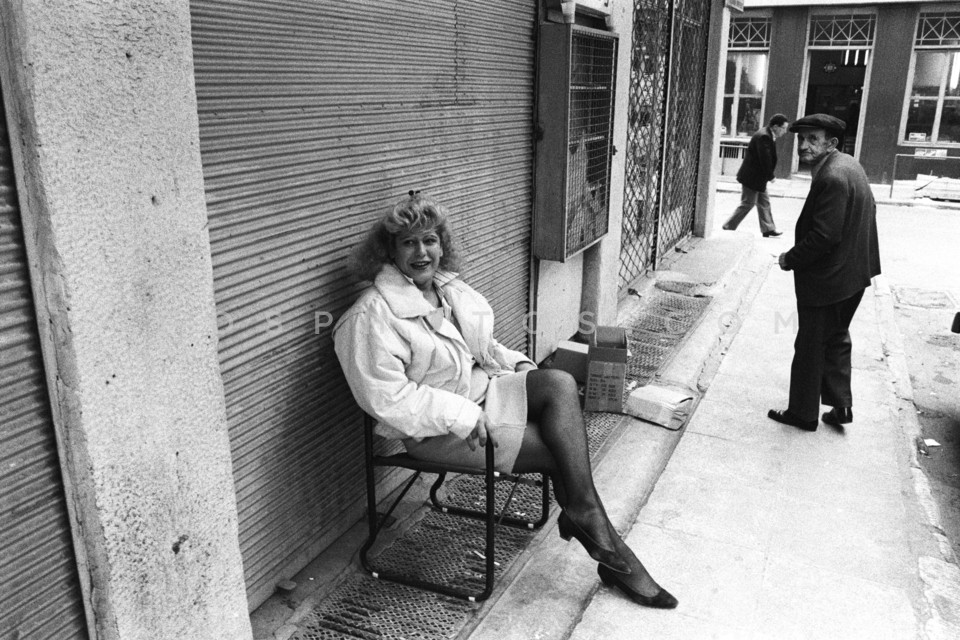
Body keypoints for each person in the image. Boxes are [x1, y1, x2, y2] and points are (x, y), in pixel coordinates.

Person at [333, 191, 677, 609]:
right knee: (556, 449)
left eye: (430, 240)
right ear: (390, 251)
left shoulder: (447, 290)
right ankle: (609, 547)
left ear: (442, 244)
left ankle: (586, 518)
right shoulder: (370, 316)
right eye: (409, 243)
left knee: (558, 383)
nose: (422, 253)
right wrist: (461, 413)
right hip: (440, 430)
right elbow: (387, 399)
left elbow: (485, 347)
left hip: (486, 394)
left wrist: (521, 369)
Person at [768, 114, 881, 432]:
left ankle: (802, 413)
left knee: (810, 346)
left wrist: (790, 258)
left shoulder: (832, 177)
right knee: (836, 337)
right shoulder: (849, 164)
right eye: (801, 139)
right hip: (854, 276)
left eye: (812, 139)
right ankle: (841, 406)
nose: (803, 145)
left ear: (831, 143)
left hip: (830, 281)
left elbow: (824, 236)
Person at [723, 113, 790, 237]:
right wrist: (770, 176)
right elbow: (764, 158)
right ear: (775, 127)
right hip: (752, 178)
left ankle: (768, 229)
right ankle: (728, 226)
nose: (785, 131)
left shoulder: (767, 134)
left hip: (758, 178)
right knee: (748, 203)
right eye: (783, 128)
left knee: (764, 202)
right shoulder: (764, 136)